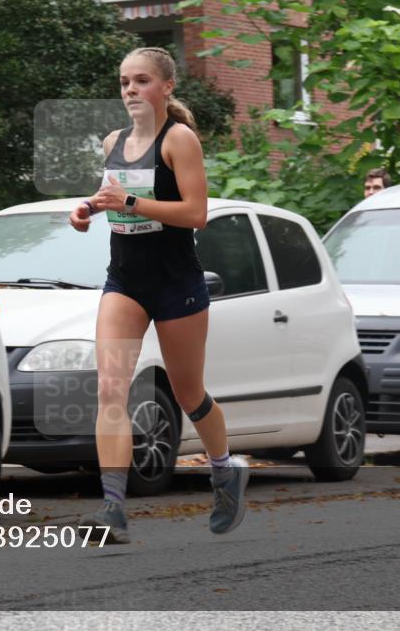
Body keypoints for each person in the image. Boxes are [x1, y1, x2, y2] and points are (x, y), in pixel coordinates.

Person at [68, 46, 248, 544]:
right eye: (124, 81)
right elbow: (111, 197)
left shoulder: (179, 140)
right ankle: (113, 510)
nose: (131, 89)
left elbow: (195, 214)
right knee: (110, 389)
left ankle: (223, 471)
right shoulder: (114, 141)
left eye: (141, 80)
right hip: (125, 282)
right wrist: (88, 209)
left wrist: (129, 201)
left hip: (176, 284)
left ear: (166, 86)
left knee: (189, 393)